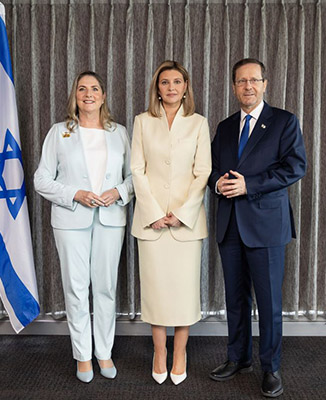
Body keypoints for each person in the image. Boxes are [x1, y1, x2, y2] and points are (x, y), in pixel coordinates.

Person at [208, 58, 306, 397]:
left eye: (254, 80)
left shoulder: (284, 121)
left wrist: (249, 185)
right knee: (235, 299)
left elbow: (295, 167)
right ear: (234, 87)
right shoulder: (224, 127)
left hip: (266, 226)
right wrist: (217, 184)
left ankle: (271, 367)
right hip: (230, 225)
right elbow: (211, 169)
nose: (247, 86)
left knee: (268, 303)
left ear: (264, 84)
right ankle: (238, 358)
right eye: (241, 81)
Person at [34, 71, 133, 383]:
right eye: (82, 89)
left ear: (103, 96)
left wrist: (118, 191)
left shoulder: (119, 133)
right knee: (76, 289)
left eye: (94, 89)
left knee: (105, 287)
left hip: (110, 219)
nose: (88, 94)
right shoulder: (59, 132)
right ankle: (83, 356)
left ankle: (104, 352)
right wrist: (75, 194)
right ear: (75, 96)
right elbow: (41, 180)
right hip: (70, 221)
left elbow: (135, 176)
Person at [131, 60, 211, 386]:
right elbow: (136, 169)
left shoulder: (198, 123)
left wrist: (181, 213)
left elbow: (203, 172)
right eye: (165, 82)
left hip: (185, 224)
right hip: (151, 224)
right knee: (156, 292)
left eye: (177, 82)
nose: (171, 87)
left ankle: (180, 353)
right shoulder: (142, 122)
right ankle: (159, 351)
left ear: (186, 87)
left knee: (183, 293)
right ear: (157, 88)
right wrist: (153, 213)